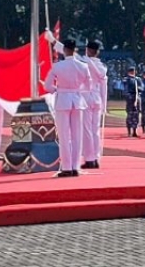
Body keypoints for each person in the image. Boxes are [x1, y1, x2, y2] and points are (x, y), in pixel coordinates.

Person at [49, 37, 108, 169]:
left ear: (88, 50)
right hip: (97, 99)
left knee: (86, 130)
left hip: (85, 97)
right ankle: (96, 157)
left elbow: (67, 52)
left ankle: (89, 158)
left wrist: (53, 41)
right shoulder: (102, 66)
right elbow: (104, 85)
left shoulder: (83, 61)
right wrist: (104, 104)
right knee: (95, 130)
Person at [43, 39, 92, 177]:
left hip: (63, 99)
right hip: (77, 100)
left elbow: (47, 86)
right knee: (77, 136)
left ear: (64, 50)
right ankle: (75, 166)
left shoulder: (58, 66)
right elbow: (88, 87)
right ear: (75, 49)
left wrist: (57, 89)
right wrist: (77, 89)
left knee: (64, 136)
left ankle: (66, 167)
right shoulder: (83, 66)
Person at [123, 67, 142, 137]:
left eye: (133, 71)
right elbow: (125, 89)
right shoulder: (127, 79)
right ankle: (129, 131)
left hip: (137, 98)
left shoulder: (138, 79)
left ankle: (134, 131)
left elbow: (141, 88)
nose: (133, 72)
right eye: (131, 71)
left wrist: (138, 88)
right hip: (130, 99)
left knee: (136, 115)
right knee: (130, 115)